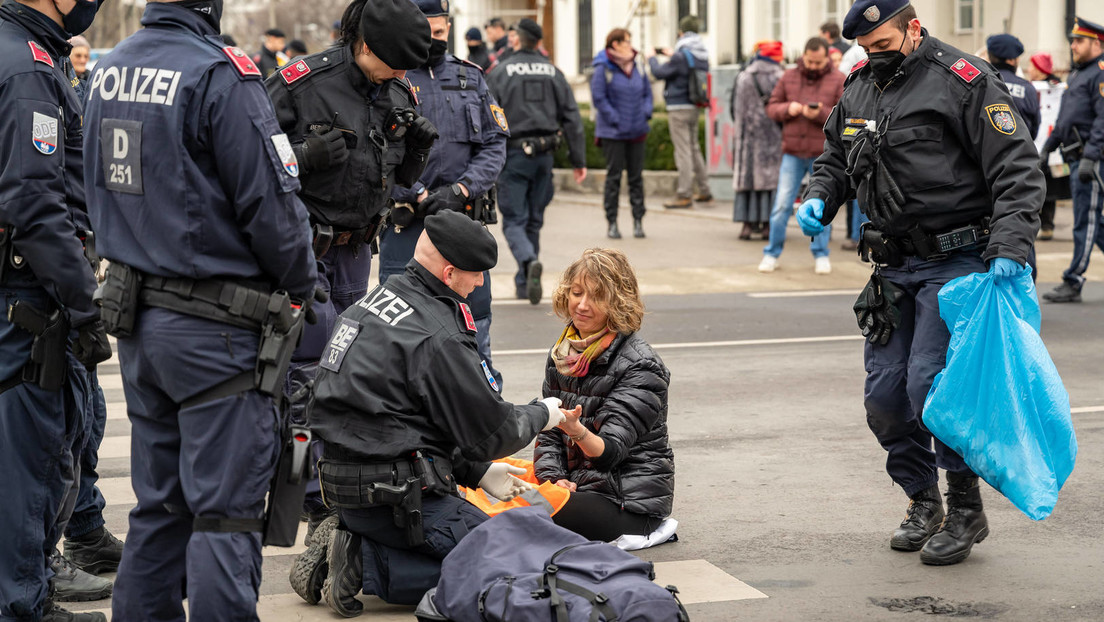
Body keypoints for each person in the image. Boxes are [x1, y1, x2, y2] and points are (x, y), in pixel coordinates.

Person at [81, 1, 320, 619]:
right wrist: (301, 286)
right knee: (224, 515)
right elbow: (272, 209)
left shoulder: (109, 70)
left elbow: (88, 185)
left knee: (159, 507)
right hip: (219, 334)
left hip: (140, 322)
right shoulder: (218, 72)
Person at [796, 0, 1043, 566]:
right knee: (884, 400)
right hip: (892, 267)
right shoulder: (859, 83)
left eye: (881, 45)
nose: (872, 56)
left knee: (930, 387)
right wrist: (818, 198)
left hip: (956, 262)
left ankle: (965, 508)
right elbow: (836, 155)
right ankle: (922, 498)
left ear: (912, 28)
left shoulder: (963, 79)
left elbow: (1017, 168)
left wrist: (1009, 245)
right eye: (864, 48)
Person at [304, 210, 568, 614]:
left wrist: (476, 471)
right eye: (476, 274)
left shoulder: (373, 303)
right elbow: (492, 431)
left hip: (349, 488)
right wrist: (542, 414)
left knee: (493, 553)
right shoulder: (436, 334)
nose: (479, 283)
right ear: (448, 274)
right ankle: (363, 561)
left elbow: (406, 418)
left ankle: (355, 546)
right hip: (400, 500)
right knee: (520, 563)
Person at [265, 0, 436, 546]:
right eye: (396, 64)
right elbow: (246, 160)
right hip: (303, 248)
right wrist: (302, 154)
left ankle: (332, 485)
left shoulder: (396, 91)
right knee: (312, 369)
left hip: (357, 251)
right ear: (365, 47)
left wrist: (417, 153)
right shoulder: (300, 83)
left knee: (347, 367)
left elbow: (397, 179)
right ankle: (313, 501)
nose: (405, 75)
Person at [0, 0, 113, 620]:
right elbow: (36, 205)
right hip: (27, 301)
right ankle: (22, 604)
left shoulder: (24, 51)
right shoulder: (28, 68)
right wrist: (85, 303)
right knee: (32, 460)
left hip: (23, 291)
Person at [379, 0, 508, 391]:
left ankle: (482, 416)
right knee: (400, 328)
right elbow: (378, 151)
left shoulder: (472, 77)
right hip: (407, 222)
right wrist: (417, 193)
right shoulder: (390, 78)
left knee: (474, 325)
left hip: (463, 220)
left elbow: (494, 144)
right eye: (426, 33)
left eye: (440, 32)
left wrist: (462, 189)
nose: (435, 41)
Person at [533, 249, 674, 542]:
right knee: (488, 481)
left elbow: (609, 453)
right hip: (578, 488)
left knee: (522, 511)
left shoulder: (641, 365)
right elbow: (548, 434)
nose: (582, 305)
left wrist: (576, 430)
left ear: (618, 302)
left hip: (625, 502)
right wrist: (553, 479)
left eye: (596, 297)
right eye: (576, 292)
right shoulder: (563, 354)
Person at [486, 18, 586, 304]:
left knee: (515, 221)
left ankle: (529, 262)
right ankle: (524, 283)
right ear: (539, 42)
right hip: (545, 155)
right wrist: (578, 160)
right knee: (533, 221)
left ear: (517, 39)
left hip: (515, 155)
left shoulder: (501, 71)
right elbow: (572, 119)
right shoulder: (554, 72)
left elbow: (487, 115)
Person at [758, 37, 843, 275]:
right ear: (804, 56)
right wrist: (788, 109)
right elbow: (772, 107)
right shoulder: (789, 76)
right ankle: (771, 253)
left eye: (818, 62)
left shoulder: (838, 79)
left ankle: (821, 254)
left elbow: (845, 115)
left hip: (823, 154)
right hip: (793, 152)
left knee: (821, 207)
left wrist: (818, 114)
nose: (813, 66)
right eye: (810, 61)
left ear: (827, 57)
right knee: (782, 205)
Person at [1038, 17, 1104, 304]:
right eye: (1072, 40)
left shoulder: (1100, 73)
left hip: (1090, 157)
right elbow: (1066, 119)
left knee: (1084, 220)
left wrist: (1091, 157)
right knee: (1092, 222)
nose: (1073, 45)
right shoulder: (1080, 74)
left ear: (1097, 43)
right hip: (1075, 155)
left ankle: (1073, 279)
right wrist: (1048, 148)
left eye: (1079, 40)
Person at [591, 28, 653, 240]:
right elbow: (599, 98)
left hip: (637, 130)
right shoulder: (603, 67)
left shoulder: (638, 65)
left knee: (636, 178)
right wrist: (616, 118)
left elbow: (647, 93)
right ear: (615, 44)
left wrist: (646, 112)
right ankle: (612, 222)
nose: (630, 44)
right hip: (613, 132)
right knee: (614, 177)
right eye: (627, 41)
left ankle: (638, 221)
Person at [648, 15, 711, 208]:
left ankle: (684, 194)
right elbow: (685, 67)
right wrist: (672, 55)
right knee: (693, 148)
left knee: (682, 151)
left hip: (678, 107)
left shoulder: (680, 55)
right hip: (694, 105)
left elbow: (659, 73)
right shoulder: (700, 53)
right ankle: (705, 190)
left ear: (681, 33)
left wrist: (651, 58)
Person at [731, 40, 783, 240]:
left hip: (748, 138)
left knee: (748, 180)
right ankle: (767, 226)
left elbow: (737, 111)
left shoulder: (744, 77)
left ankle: (746, 224)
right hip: (773, 137)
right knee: (770, 182)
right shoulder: (780, 76)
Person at [1027, 51, 1070, 241]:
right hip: (1034, 144)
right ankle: (1034, 224)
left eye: (1032, 66)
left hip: (1051, 146)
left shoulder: (1058, 88)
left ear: (1039, 69)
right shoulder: (1030, 88)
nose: (1029, 70)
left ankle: (1047, 225)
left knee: (1050, 188)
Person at [986, 34, 1040, 138]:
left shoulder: (981, 83)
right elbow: (1034, 129)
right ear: (1011, 60)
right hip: (1020, 151)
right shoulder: (1027, 88)